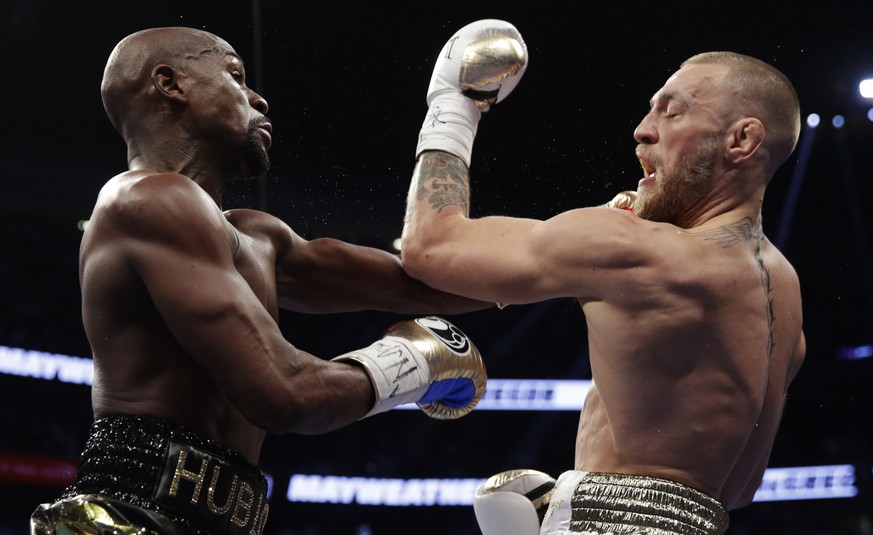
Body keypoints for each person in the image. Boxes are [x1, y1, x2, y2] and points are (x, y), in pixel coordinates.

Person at [30, 26, 493, 535]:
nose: (258, 98)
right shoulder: (145, 200)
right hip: (126, 514)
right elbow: (284, 391)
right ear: (170, 84)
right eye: (234, 76)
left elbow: (438, 279)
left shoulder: (257, 236)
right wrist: (414, 362)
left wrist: (454, 116)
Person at [401, 19, 806, 534]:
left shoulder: (634, 247)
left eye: (672, 110)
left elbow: (430, 246)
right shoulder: (784, 291)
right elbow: (736, 489)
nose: (642, 128)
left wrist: (452, 106)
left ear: (743, 139)